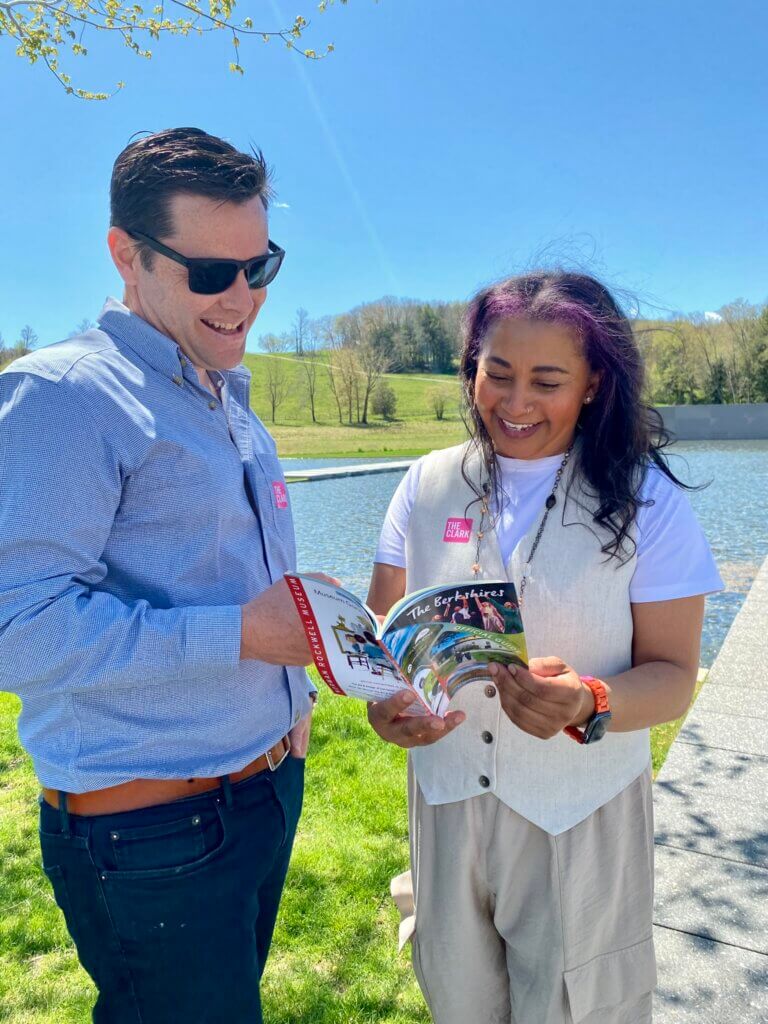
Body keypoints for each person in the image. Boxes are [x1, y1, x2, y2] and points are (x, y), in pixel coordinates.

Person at [0, 127, 329, 1024]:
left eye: (259, 269)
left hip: (261, 790)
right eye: (211, 273)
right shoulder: (64, 396)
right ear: (126, 254)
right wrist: (245, 635)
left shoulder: (226, 399)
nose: (242, 298)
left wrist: (299, 699)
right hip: (150, 836)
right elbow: (15, 632)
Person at [366, 271, 723, 1024]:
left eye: (547, 380)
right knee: (456, 1003)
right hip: (445, 802)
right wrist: (387, 706)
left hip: (580, 812)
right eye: (495, 374)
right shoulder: (424, 485)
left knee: (578, 1007)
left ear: (595, 384)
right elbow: (382, 645)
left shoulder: (647, 501)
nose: (515, 402)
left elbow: (674, 676)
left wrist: (590, 700)